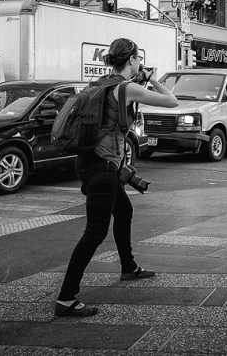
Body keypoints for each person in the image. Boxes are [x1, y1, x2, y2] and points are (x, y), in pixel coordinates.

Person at [56, 38, 178, 317]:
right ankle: (66, 297)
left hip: (88, 163)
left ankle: (128, 267)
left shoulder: (101, 84)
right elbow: (171, 101)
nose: (140, 63)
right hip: (103, 168)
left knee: (123, 210)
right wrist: (154, 79)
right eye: (138, 59)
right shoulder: (128, 88)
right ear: (133, 59)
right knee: (95, 231)